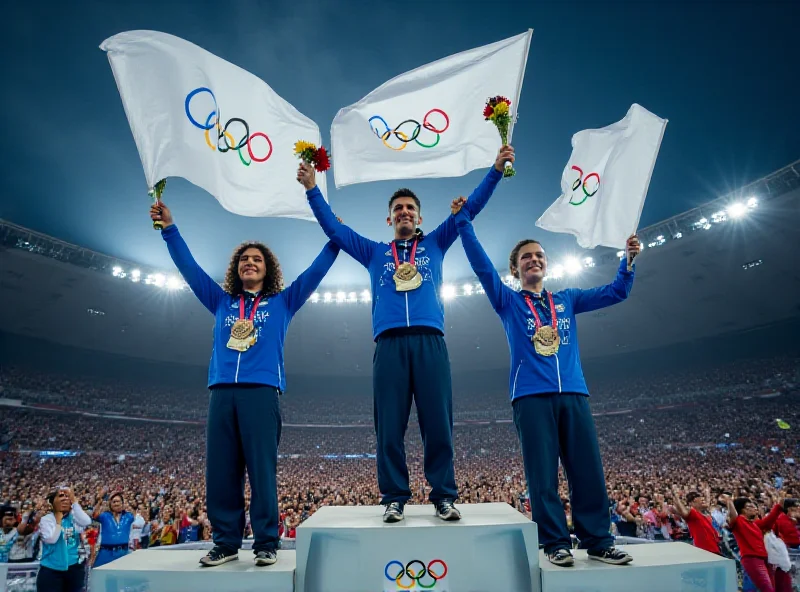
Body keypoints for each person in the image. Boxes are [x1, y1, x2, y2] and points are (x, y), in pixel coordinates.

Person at [296, 145, 514, 523]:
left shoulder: (436, 242)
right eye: (398, 209)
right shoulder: (374, 253)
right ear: (389, 218)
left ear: (420, 216)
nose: (404, 212)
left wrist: (495, 169)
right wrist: (313, 189)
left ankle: (443, 495)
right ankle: (394, 496)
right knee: (389, 427)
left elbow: (472, 208)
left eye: (410, 208)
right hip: (389, 343)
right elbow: (334, 228)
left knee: (438, 424)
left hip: (431, 341)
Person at [150, 202, 339, 566]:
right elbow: (188, 268)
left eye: (257, 259)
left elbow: (315, 272)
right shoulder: (220, 301)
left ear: (268, 269)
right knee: (221, 471)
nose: (249, 263)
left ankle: (266, 542)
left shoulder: (283, 302)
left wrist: (335, 238)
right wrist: (170, 228)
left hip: (261, 392)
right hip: (221, 391)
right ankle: (225, 542)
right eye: (244, 260)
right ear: (236, 269)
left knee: (261, 470)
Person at [451, 197, 637, 566]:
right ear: (516, 269)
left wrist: (628, 261)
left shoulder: (567, 300)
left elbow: (617, 291)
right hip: (531, 397)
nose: (534, 260)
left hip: (574, 393)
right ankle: (554, 543)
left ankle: (598, 540)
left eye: (539, 256)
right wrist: (463, 223)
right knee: (542, 475)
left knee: (587, 471)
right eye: (526, 257)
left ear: (546, 264)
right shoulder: (507, 300)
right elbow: (480, 265)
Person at [724, 494, 791, 592]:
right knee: (767, 589)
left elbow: (768, 521)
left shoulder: (755, 524)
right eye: (750, 506)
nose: (754, 508)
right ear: (742, 510)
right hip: (752, 559)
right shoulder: (738, 521)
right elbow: (732, 515)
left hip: (764, 559)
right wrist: (729, 501)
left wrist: (779, 506)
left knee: (772, 588)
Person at [37, 487, 92, 592]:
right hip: (51, 570)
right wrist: (58, 520)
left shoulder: (74, 518)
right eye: (60, 497)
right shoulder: (46, 519)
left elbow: (87, 521)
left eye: (67, 497)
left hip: (73, 568)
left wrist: (74, 501)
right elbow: (51, 539)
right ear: (53, 502)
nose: (64, 499)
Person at [92, 492, 143, 568]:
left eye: (118, 501)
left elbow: (135, 509)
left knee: (122, 577)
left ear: (122, 503)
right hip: (106, 552)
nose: (116, 504)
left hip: (123, 552)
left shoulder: (128, 516)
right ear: (110, 504)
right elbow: (94, 515)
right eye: (114, 502)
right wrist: (99, 502)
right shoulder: (105, 516)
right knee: (102, 576)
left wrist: (129, 501)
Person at [669, 486, 721, 555]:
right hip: (706, 550)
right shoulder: (693, 513)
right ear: (692, 503)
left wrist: (707, 493)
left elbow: (707, 504)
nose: (703, 500)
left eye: (703, 500)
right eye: (700, 500)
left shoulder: (703, 515)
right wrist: (676, 496)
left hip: (714, 548)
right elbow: (683, 513)